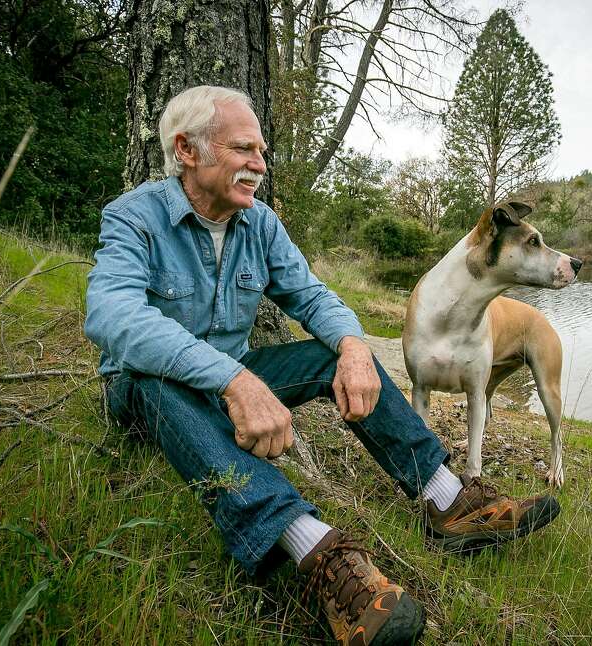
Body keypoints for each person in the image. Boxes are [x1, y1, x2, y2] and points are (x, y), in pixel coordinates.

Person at [85, 85, 561, 646]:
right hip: (146, 396)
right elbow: (112, 317)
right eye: (243, 150)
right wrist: (234, 380)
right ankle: (317, 555)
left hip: (235, 376)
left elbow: (313, 297)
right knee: (156, 382)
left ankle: (447, 499)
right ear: (187, 150)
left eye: (261, 151)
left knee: (334, 351)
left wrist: (354, 348)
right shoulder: (134, 217)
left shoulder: (259, 224)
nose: (259, 165)